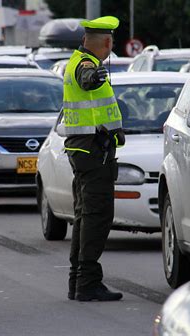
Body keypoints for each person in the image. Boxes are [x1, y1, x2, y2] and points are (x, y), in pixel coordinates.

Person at [63, 16, 126, 302]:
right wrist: (94, 77)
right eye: (111, 42)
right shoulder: (85, 65)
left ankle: (78, 281)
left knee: (85, 216)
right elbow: (86, 80)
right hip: (93, 152)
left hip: (87, 150)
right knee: (97, 216)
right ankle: (87, 282)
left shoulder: (77, 60)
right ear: (108, 42)